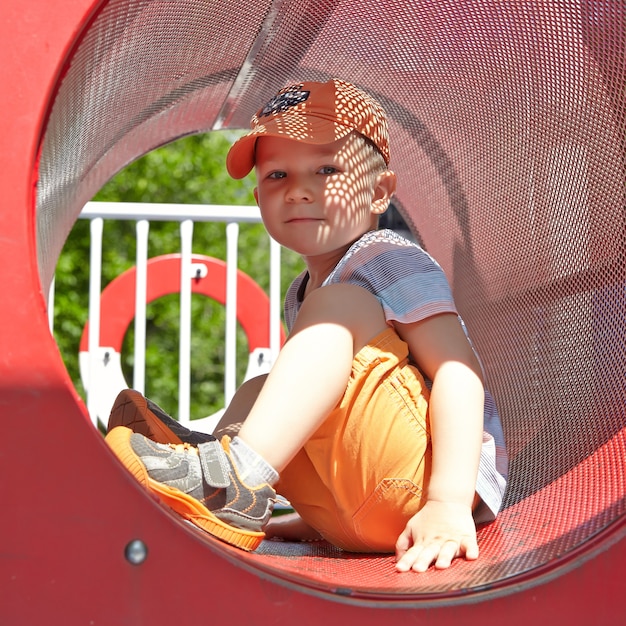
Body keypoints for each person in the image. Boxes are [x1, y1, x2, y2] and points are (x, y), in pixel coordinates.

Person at [105, 79, 508, 572]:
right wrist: (314, 517)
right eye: (277, 175)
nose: (298, 189)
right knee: (264, 388)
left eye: (326, 168)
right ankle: (218, 472)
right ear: (258, 200)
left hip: (427, 487)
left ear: (380, 191)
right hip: (363, 508)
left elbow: (457, 373)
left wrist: (447, 501)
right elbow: (332, 419)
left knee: (341, 306)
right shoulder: (302, 293)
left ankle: (232, 474)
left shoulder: (388, 259)